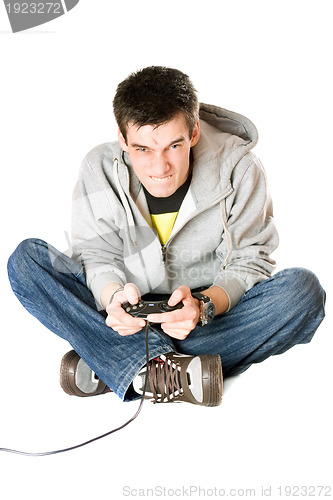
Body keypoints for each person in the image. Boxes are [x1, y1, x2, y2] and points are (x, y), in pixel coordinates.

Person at [7, 66, 326, 407]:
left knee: (302, 293)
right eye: (142, 149)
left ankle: (116, 362)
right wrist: (113, 297)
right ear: (122, 139)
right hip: (124, 318)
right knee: (27, 262)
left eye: (173, 145)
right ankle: (173, 371)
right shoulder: (98, 167)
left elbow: (249, 260)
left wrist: (203, 306)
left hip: (203, 318)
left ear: (194, 132)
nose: (160, 168)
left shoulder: (241, 168)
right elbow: (97, 256)